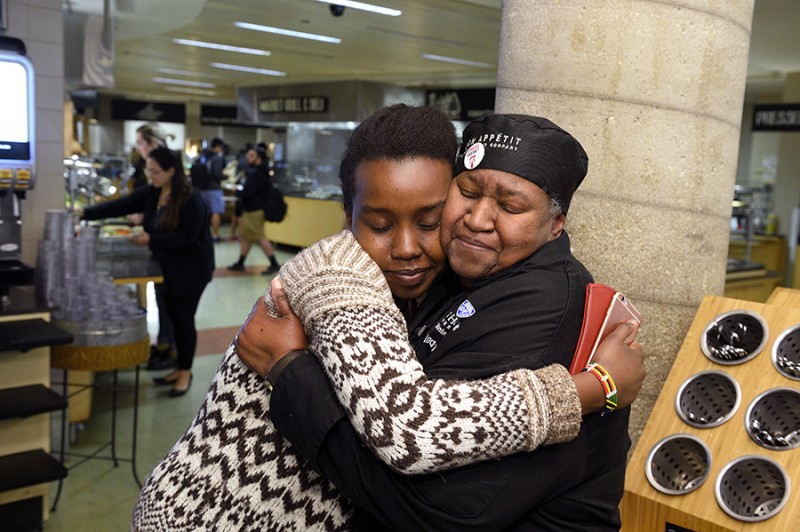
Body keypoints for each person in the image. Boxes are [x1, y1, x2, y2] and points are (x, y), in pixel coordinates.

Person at [130, 105, 644, 531]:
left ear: (555, 225)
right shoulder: (339, 275)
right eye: (378, 223)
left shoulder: (461, 286)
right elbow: (409, 428)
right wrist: (593, 386)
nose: (405, 249)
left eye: (427, 220)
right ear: (346, 215)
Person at [81, 147, 214, 397]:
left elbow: (187, 236)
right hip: (164, 268)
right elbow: (123, 204)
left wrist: (150, 239)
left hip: (191, 270)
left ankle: (184, 373)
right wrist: (85, 213)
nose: (150, 176)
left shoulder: (191, 199)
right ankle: (179, 367)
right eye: (148, 170)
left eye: (155, 171)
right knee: (173, 318)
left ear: (171, 171)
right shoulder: (155, 192)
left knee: (184, 320)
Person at [130, 123, 179, 371]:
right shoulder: (154, 171)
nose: (138, 148)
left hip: (178, 260)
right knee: (162, 303)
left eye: (140, 142)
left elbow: (181, 230)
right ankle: (163, 347)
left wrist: (148, 229)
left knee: (172, 308)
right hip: (163, 250)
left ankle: (171, 352)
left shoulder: (173, 180)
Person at [226, 145, 281, 275]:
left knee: (259, 237)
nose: (247, 158)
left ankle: (274, 263)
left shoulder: (256, 173)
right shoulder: (259, 172)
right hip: (252, 209)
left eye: (251, 156)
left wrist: (237, 191)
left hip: (254, 210)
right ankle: (240, 263)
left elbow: (248, 192)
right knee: (246, 237)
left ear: (259, 158)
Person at [190, 137, 227, 243]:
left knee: (202, 212)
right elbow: (216, 173)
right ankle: (215, 235)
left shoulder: (202, 156)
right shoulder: (217, 158)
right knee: (216, 212)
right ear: (218, 147)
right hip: (213, 188)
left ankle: (200, 234)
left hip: (199, 188)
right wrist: (225, 177)